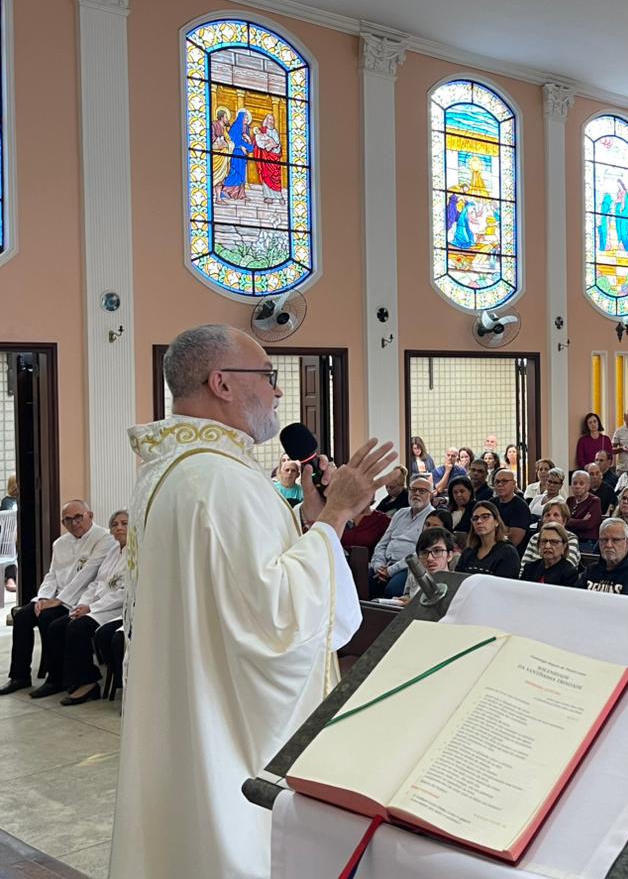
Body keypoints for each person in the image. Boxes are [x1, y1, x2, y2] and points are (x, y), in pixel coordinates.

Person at [113, 324, 393, 879]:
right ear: (221, 382)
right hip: (229, 728)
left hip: (192, 707)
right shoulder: (218, 479)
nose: (279, 392)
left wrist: (308, 521)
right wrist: (336, 515)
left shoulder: (178, 471)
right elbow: (279, 617)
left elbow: (234, 576)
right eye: (267, 376)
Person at [0, 500, 115, 698]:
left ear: (90, 515)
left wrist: (59, 600)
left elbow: (87, 575)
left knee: (48, 619)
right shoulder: (60, 543)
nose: (74, 523)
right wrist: (42, 598)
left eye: (78, 517)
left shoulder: (104, 539)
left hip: (80, 598)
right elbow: (52, 574)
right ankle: (19, 676)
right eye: (68, 520)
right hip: (56, 596)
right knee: (22, 616)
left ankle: (57, 678)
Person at [42, 510, 130, 706]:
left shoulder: (137, 554)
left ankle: (88, 682)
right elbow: (96, 583)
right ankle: (64, 679)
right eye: (115, 524)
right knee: (57, 626)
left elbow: (125, 592)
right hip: (97, 605)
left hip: (115, 608)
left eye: (124, 523)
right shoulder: (113, 552)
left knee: (77, 628)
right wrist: (84, 604)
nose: (119, 528)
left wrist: (93, 608)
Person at [368, 476, 435, 599]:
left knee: (392, 589)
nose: (416, 494)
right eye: (413, 490)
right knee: (363, 581)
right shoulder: (400, 513)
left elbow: (420, 552)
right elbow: (383, 543)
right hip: (385, 564)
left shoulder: (432, 517)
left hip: (409, 567)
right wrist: (378, 565)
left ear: (430, 495)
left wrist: (391, 570)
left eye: (422, 491)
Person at [579, 517, 628, 596]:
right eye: (604, 540)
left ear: (627, 542)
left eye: (615, 540)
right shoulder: (591, 570)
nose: (608, 545)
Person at [455, 500, 520, 578]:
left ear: (496, 521)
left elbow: (504, 586)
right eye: (475, 518)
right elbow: (457, 580)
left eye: (485, 517)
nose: (479, 521)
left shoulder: (508, 552)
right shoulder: (468, 552)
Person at [522, 499, 581, 570]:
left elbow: (569, 567)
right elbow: (523, 567)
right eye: (547, 515)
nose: (551, 518)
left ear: (564, 520)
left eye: (556, 515)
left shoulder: (570, 538)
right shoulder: (535, 538)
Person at [518, 521, 579, 586]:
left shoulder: (569, 573)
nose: (547, 546)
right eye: (544, 541)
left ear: (564, 546)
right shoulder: (530, 568)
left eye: (554, 542)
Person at [490, 468, 531, 550]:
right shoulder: (492, 503)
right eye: (497, 482)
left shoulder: (520, 507)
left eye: (504, 481)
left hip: (509, 552)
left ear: (514, 484)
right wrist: (505, 529)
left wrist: (493, 525)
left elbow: (513, 541)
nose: (500, 485)